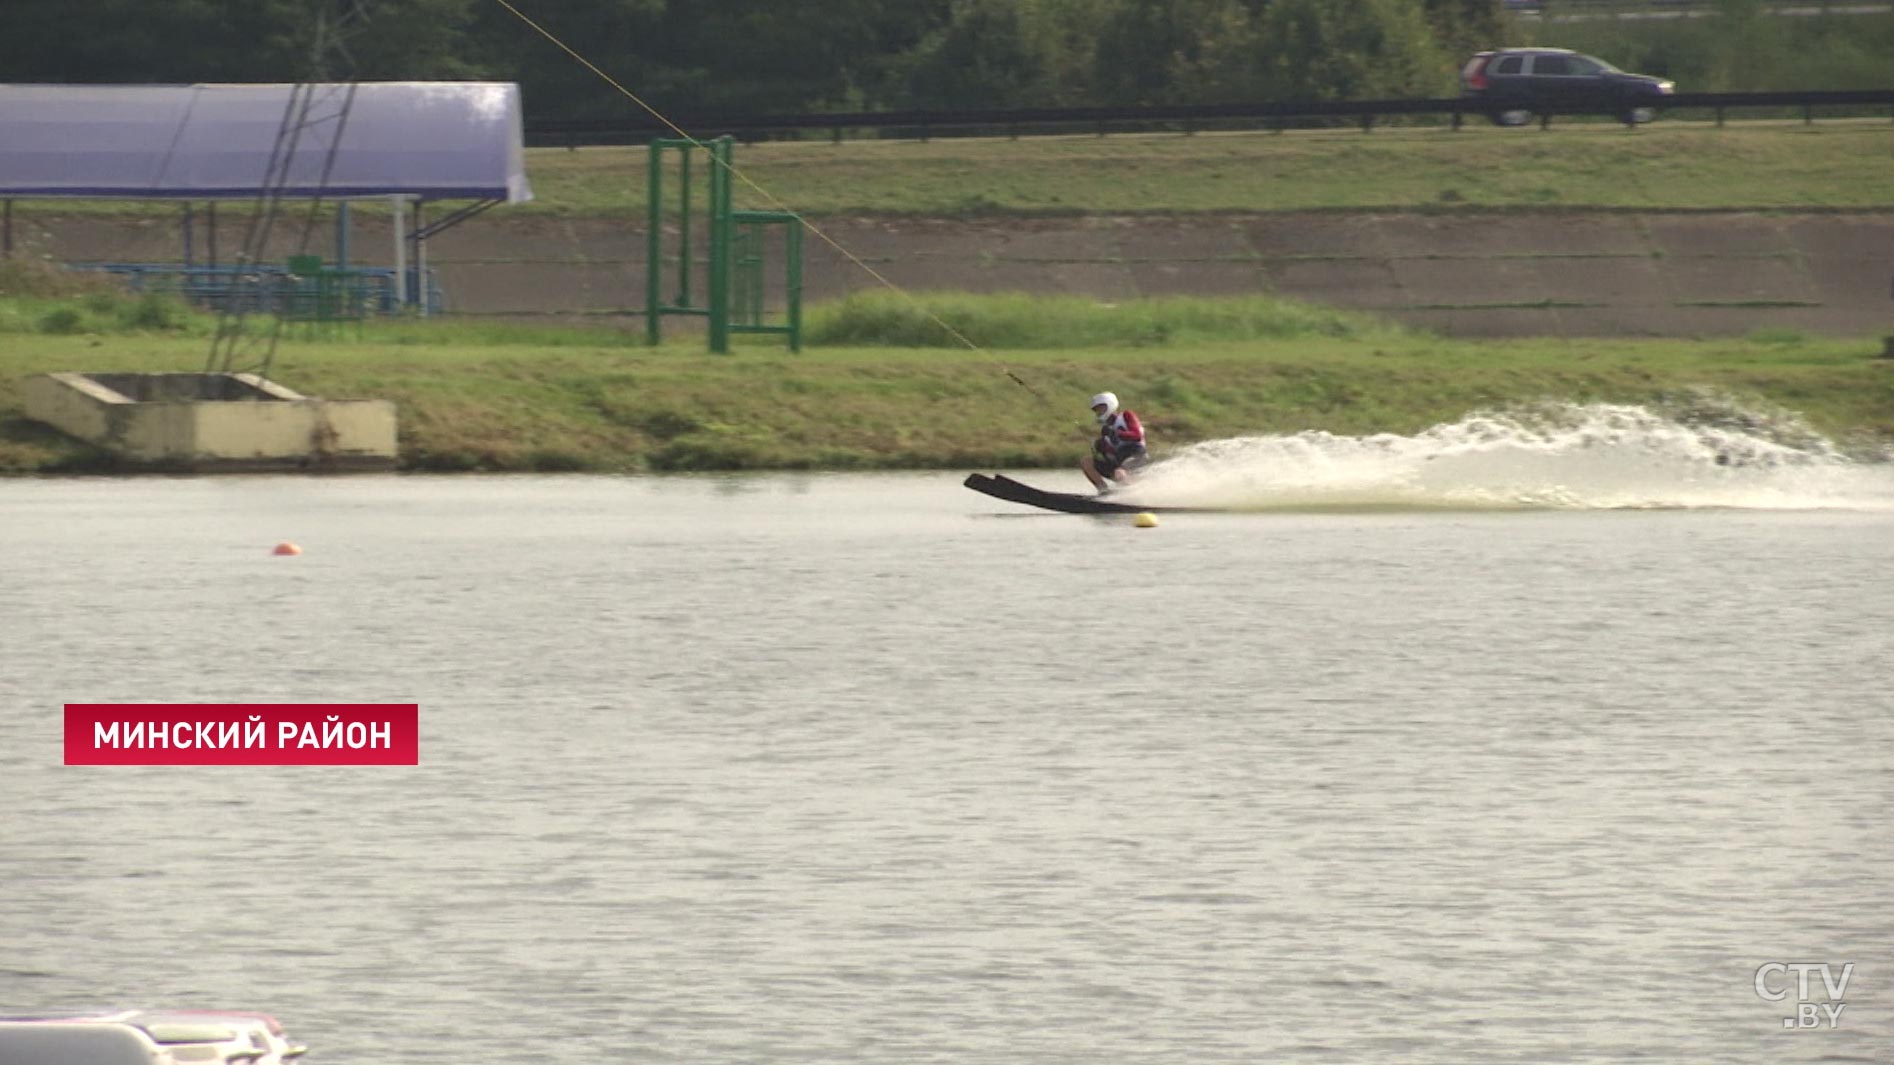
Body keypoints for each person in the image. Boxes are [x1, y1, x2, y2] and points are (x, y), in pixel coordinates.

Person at [1081, 391, 1148, 493]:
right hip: (1119, 459)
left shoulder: (1126, 416)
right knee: (1086, 462)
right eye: (1097, 410)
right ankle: (1104, 492)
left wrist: (1117, 433)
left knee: (1119, 473)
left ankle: (1135, 494)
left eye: (1101, 408)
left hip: (1136, 454)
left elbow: (1137, 435)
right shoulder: (1105, 429)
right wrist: (1100, 446)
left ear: (1110, 405)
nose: (1099, 412)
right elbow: (1110, 452)